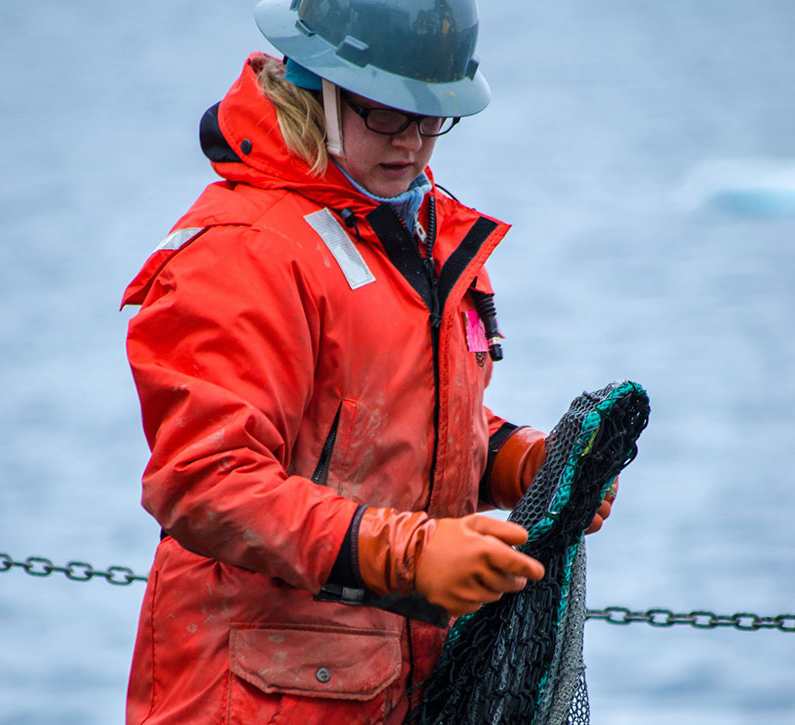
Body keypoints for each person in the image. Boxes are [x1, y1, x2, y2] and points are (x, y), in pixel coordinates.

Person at [122, 1, 615, 722]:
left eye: (430, 119)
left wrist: (516, 463)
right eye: (386, 114)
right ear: (312, 85)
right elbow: (208, 482)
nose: (412, 143)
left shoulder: (414, 227)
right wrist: (413, 555)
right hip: (253, 699)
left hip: (394, 689)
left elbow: (381, 424)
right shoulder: (244, 249)